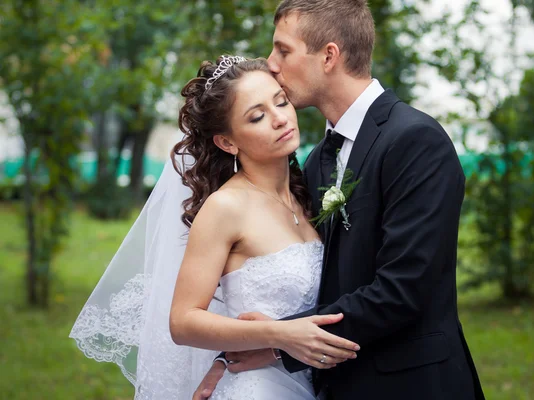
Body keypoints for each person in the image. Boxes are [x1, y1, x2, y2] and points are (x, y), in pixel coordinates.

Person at [196, 1, 486, 399]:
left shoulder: (415, 141)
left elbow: (404, 289)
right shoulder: (317, 161)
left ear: (328, 56)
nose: (271, 64)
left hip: (411, 384)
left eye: (283, 50)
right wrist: (235, 354)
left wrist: (279, 344)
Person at [69, 55, 359, 400]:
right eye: (257, 116)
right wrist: (280, 335)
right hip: (260, 388)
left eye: (280, 102)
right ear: (228, 142)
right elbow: (183, 321)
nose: (280, 119)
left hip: (318, 382)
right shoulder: (225, 207)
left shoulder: (308, 190)